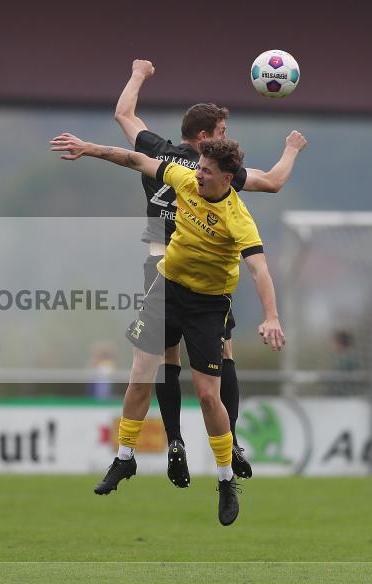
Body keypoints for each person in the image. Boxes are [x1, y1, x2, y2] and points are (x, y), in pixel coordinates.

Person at [51, 132, 285, 526]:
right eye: (199, 168)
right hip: (167, 289)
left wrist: (272, 316)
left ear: (228, 179)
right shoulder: (183, 177)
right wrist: (89, 149)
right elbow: (134, 160)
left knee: (210, 397)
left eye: (207, 172)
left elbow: (260, 269)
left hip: (209, 306)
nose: (198, 176)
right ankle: (125, 458)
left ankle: (226, 480)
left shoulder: (238, 218)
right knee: (140, 373)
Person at [114, 59, 307, 487]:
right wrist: (291, 148)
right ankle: (231, 441)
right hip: (198, 268)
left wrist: (140, 75)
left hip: (157, 264)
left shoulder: (157, 150)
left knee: (164, 362)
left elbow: (124, 115)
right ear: (204, 139)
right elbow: (274, 181)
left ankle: (174, 443)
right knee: (223, 357)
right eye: (221, 133)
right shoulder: (215, 173)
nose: (226, 139)